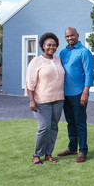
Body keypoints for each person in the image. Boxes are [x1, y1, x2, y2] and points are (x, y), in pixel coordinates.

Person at [26, 32, 65, 165]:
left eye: (54, 45)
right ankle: (37, 155)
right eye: (49, 45)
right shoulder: (36, 61)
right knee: (44, 127)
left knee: (53, 127)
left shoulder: (58, 60)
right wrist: (32, 100)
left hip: (59, 99)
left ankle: (48, 154)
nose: (52, 47)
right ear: (43, 46)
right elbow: (30, 82)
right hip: (42, 101)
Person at [57, 27, 94, 163]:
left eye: (72, 35)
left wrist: (85, 93)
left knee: (80, 123)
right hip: (65, 94)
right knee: (70, 122)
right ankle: (72, 147)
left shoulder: (84, 52)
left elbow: (90, 74)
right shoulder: (63, 52)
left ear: (77, 35)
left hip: (79, 94)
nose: (70, 38)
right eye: (67, 36)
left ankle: (83, 151)